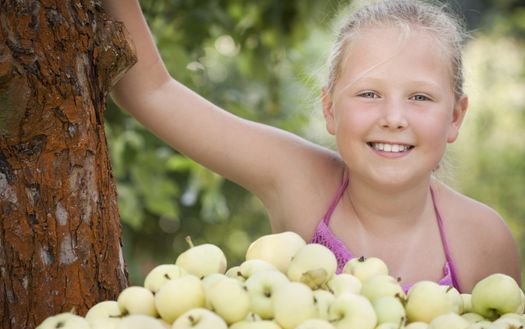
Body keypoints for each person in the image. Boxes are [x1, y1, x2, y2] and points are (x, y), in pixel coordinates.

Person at [102, 0, 521, 293]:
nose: (394, 117)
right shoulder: (298, 179)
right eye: (369, 94)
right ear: (329, 110)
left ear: (455, 117)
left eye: (420, 97)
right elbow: (151, 91)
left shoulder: (481, 239)